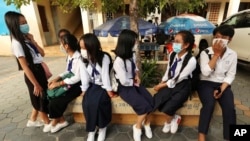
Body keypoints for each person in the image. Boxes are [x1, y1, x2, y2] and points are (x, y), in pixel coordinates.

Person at [4, 11, 50, 132]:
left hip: (39, 70)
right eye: (22, 23)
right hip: (32, 73)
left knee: (39, 96)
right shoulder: (17, 44)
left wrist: (33, 40)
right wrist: (35, 84)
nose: (25, 25)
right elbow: (25, 67)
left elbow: (42, 53)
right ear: (14, 25)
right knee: (41, 98)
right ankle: (47, 123)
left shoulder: (26, 39)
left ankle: (32, 120)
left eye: (25, 22)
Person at [197, 25, 237, 141]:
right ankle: (202, 135)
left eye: (223, 37)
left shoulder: (233, 54)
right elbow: (205, 73)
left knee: (230, 107)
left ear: (230, 39)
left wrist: (221, 89)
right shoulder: (205, 52)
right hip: (206, 83)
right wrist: (216, 55)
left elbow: (230, 75)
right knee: (209, 104)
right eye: (217, 37)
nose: (219, 40)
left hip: (222, 84)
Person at [113, 29, 154, 141]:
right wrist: (134, 82)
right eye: (134, 41)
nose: (136, 43)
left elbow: (135, 68)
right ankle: (137, 127)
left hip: (133, 83)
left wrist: (137, 76)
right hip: (125, 88)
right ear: (127, 43)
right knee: (144, 106)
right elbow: (124, 81)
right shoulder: (118, 61)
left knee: (151, 101)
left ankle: (147, 124)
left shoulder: (131, 55)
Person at [153, 30, 196, 134]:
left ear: (186, 45)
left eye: (177, 41)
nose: (174, 43)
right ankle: (175, 117)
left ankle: (169, 121)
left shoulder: (191, 61)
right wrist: (162, 82)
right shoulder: (172, 54)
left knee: (169, 107)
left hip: (183, 85)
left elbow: (178, 78)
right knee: (157, 101)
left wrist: (162, 86)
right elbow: (168, 71)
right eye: (174, 40)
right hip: (170, 82)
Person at [79, 33, 115, 141]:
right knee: (87, 103)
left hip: (104, 85)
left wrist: (109, 90)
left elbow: (105, 75)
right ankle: (92, 129)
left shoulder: (104, 57)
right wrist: (84, 90)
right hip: (92, 85)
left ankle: (102, 128)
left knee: (101, 103)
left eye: (84, 48)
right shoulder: (83, 59)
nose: (82, 50)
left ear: (91, 46)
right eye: (80, 48)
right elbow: (84, 76)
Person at [47, 34, 86, 133]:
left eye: (61, 43)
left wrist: (59, 84)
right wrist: (56, 79)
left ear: (66, 46)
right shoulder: (70, 56)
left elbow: (78, 77)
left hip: (78, 85)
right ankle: (61, 120)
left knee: (57, 101)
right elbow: (68, 71)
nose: (60, 46)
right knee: (49, 94)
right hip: (69, 81)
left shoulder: (79, 58)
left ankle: (56, 121)